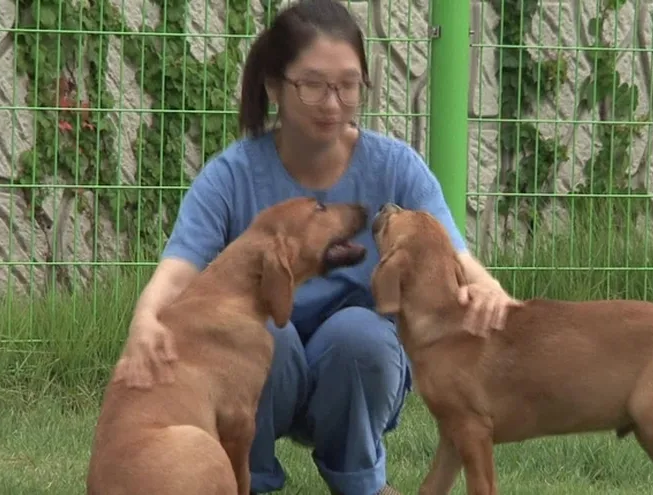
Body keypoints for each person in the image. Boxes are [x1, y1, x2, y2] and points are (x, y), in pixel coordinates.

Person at [111, 1, 521, 494]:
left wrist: (492, 291)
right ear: (274, 86)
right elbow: (178, 271)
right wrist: (145, 318)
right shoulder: (232, 175)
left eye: (348, 85)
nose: (333, 103)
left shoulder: (395, 167)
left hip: (351, 376)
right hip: (265, 373)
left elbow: (458, 258)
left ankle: (360, 483)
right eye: (313, 85)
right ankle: (251, 480)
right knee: (263, 332)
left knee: (361, 335)